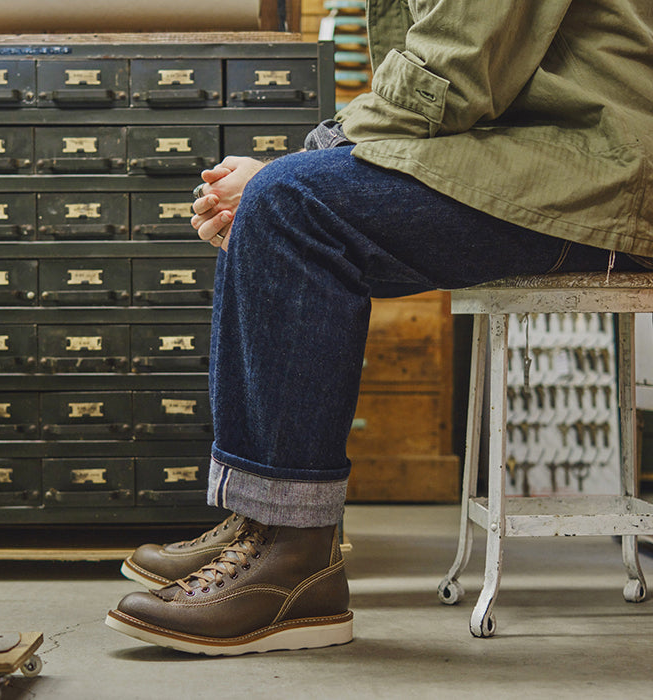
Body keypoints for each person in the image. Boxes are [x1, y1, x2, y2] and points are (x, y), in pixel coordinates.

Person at [105, 0, 653, 655]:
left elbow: (453, 69)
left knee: (285, 205)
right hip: (537, 146)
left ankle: (295, 564)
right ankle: (260, 521)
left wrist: (301, 160)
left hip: (599, 169)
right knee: (271, 212)